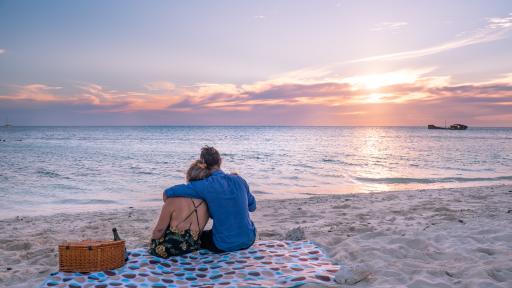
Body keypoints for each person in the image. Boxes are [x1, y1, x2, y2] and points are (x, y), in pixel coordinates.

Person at [163, 146, 256, 253]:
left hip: (223, 245)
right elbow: (252, 207)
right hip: (249, 240)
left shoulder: (205, 185)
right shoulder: (239, 180)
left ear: (203, 164)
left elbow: (169, 192)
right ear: (220, 161)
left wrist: (168, 203)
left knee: (196, 238)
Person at [149, 160, 210, 258]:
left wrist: (152, 243)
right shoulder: (206, 204)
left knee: (156, 245)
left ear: (188, 176)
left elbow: (159, 230)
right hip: (193, 247)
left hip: (171, 249)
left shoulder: (172, 201)